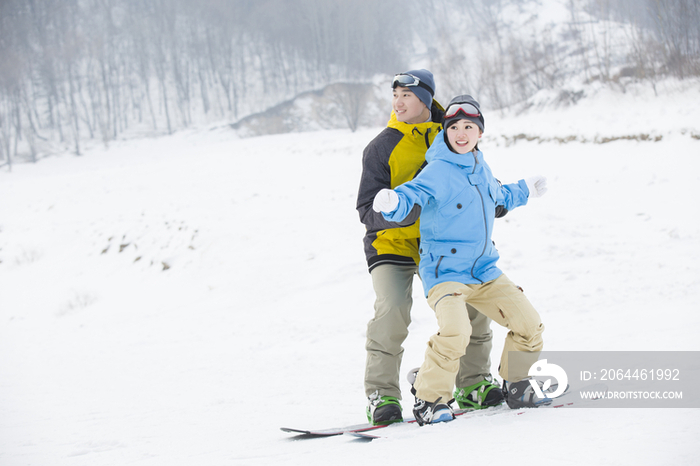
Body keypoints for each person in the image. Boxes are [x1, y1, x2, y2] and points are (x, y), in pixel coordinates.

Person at [372, 94, 549, 425]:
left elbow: (500, 196)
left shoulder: (480, 166)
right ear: (446, 131)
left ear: (480, 133)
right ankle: (429, 398)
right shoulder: (438, 169)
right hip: (446, 273)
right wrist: (392, 202)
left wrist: (526, 189)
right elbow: (413, 195)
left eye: (470, 127)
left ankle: (515, 381)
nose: (462, 133)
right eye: (455, 127)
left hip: (484, 270)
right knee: (456, 331)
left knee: (529, 325)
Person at [356, 71, 504, 426]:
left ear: (426, 99)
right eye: (395, 95)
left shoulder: (453, 132)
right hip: (392, 244)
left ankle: (473, 384)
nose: (398, 102)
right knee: (392, 310)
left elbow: (476, 179)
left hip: (445, 246)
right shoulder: (381, 147)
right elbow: (366, 210)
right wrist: (406, 212)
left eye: (406, 95)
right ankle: (382, 394)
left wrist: (495, 202)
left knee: (472, 306)